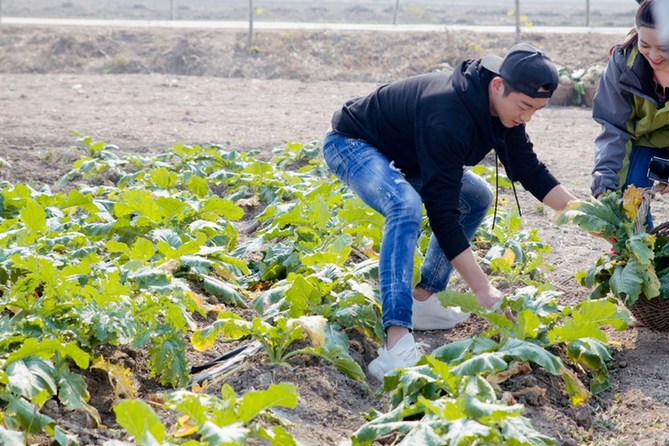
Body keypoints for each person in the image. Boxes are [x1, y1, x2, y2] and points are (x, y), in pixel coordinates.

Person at [322, 42, 578, 381]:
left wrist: (589, 217)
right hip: (352, 144)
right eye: (525, 106)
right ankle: (396, 341)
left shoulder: (505, 114)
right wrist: (483, 290)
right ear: (498, 85)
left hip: (408, 154)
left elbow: (531, 171)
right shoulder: (448, 114)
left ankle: (423, 300)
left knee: (477, 196)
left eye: (536, 110)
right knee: (404, 205)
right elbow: (442, 214)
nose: (526, 117)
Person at [591, 0, 669, 219]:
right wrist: (604, 186)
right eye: (645, 45)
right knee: (628, 208)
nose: (654, 56)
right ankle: (637, 250)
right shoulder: (624, 63)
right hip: (643, 141)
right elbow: (614, 127)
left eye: (664, 48)